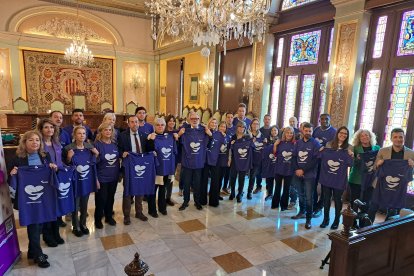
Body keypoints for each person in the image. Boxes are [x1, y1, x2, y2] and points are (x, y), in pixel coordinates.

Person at [9, 130, 58, 268]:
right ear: (24, 142)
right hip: (27, 199)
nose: (35, 142)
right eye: (31, 140)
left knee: (39, 223)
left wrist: (53, 168)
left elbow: (50, 172)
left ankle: (32, 251)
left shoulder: (45, 155)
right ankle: (39, 254)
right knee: (33, 224)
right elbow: (10, 178)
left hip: (43, 196)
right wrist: (12, 174)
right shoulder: (17, 158)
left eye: (37, 140)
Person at [368, 128, 414, 222]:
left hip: (398, 188)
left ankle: (386, 232)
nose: (398, 139)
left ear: (403, 138)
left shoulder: (411, 153)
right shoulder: (383, 151)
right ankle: (365, 230)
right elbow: (374, 168)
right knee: (373, 208)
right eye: (395, 137)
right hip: (380, 185)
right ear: (391, 138)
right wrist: (378, 164)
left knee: (392, 212)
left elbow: (410, 173)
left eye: (400, 137)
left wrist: (412, 165)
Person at [118, 116, 154, 224]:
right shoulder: (122, 136)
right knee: (128, 191)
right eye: (132, 122)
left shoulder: (144, 135)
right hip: (129, 167)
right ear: (128, 124)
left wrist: (152, 149)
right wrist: (122, 153)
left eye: (136, 122)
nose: (135, 124)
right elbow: (118, 149)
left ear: (139, 123)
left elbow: (148, 149)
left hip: (141, 167)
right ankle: (127, 215)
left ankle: (139, 212)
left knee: (140, 189)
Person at [64, 126, 99, 237]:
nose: (82, 135)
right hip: (75, 182)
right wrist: (69, 158)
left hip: (86, 181)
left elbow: (93, 164)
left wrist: (96, 154)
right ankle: (76, 226)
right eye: (79, 133)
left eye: (84, 133)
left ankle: (83, 224)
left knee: (84, 205)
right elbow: (65, 166)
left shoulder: (89, 147)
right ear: (74, 135)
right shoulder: (69, 148)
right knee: (75, 205)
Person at [36, 119, 65, 247]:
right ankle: (48, 236)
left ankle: (56, 233)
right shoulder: (39, 145)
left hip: (58, 177)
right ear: (41, 130)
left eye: (52, 127)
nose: (49, 130)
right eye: (46, 127)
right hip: (45, 179)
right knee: (48, 208)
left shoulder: (56, 143)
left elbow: (60, 161)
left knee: (56, 207)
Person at [319, 127, 353, 230]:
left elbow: (350, 164)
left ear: (347, 136)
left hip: (339, 179)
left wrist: (352, 155)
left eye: (345, 134)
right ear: (337, 133)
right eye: (341, 133)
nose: (343, 135)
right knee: (326, 199)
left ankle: (336, 220)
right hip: (327, 177)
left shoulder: (349, 147)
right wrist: (321, 150)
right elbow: (322, 157)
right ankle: (326, 219)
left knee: (338, 200)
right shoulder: (329, 144)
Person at [177, 111, 212, 211]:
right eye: (192, 119)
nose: (194, 120)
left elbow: (209, 145)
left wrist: (210, 135)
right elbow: (178, 144)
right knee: (186, 184)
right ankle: (185, 201)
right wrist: (179, 135)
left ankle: (197, 202)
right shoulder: (184, 131)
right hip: (187, 163)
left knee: (197, 184)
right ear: (189, 120)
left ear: (199, 120)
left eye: (196, 119)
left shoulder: (203, 130)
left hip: (199, 163)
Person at [291, 122, 321, 229]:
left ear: (312, 132)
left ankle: (308, 219)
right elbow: (294, 157)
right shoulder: (298, 143)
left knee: (309, 198)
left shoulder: (315, 144)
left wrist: (303, 170)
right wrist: (297, 169)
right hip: (297, 173)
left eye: (310, 131)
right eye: (306, 130)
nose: (308, 132)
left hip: (310, 175)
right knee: (300, 194)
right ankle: (301, 212)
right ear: (302, 131)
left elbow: (315, 160)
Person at [147, 118, 178, 217]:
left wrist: (176, 137)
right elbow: (148, 151)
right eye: (158, 125)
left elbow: (174, 152)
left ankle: (162, 207)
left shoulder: (170, 137)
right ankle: (152, 210)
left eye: (162, 125)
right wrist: (151, 141)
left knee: (163, 189)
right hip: (156, 169)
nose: (160, 126)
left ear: (165, 126)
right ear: (154, 126)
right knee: (153, 190)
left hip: (167, 168)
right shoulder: (151, 137)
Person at [94, 122, 120, 229]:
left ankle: (109, 217)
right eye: (105, 130)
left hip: (113, 176)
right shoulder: (97, 145)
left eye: (110, 130)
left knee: (111, 198)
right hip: (102, 177)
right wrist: (95, 179)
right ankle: (98, 219)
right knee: (101, 199)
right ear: (101, 131)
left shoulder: (114, 144)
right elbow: (94, 163)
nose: (108, 132)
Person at [348, 129, 380, 213]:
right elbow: (349, 162)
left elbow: (381, 160)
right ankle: (353, 223)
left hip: (370, 180)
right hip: (356, 179)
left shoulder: (377, 148)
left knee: (366, 203)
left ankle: (363, 224)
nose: (364, 137)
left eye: (366, 135)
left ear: (370, 137)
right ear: (359, 138)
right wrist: (356, 159)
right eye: (362, 136)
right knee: (354, 202)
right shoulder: (355, 148)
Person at [312, 114, 337, 218]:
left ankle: (320, 206)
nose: (324, 121)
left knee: (324, 185)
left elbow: (335, 146)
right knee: (313, 183)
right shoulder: (316, 130)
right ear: (319, 120)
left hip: (327, 162)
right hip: (316, 161)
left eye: (326, 119)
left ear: (329, 120)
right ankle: (313, 205)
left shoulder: (334, 132)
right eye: (322, 119)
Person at [201, 118, 226, 207]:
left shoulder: (220, 134)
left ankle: (213, 201)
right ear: (209, 123)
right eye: (212, 122)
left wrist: (224, 136)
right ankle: (202, 200)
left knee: (215, 181)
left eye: (215, 123)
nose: (214, 124)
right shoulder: (204, 132)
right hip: (205, 159)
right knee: (203, 180)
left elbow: (224, 146)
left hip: (215, 159)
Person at [228, 121, 253, 203]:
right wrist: (229, 159)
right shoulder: (233, 137)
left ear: (245, 128)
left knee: (241, 178)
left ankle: (240, 194)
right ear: (237, 127)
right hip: (234, 160)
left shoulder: (247, 137)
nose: (241, 128)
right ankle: (232, 192)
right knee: (232, 177)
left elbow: (252, 146)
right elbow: (230, 149)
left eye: (243, 127)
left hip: (243, 161)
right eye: (240, 126)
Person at [272, 126, 296, 210]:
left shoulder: (295, 144)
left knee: (286, 188)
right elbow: (275, 153)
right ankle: (275, 204)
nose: (289, 134)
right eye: (287, 132)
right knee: (277, 187)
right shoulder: (280, 142)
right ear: (284, 133)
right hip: (279, 168)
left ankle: (284, 206)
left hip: (289, 169)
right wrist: (275, 145)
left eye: (291, 133)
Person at [248, 118, 264, 198]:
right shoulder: (247, 134)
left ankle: (249, 192)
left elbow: (263, 146)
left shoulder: (261, 135)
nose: (255, 125)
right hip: (247, 158)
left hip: (257, 158)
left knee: (253, 175)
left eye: (257, 124)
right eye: (254, 123)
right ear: (251, 125)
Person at [220, 113, 236, 195]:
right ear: (225, 118)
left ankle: (225, 187)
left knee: (228, 172)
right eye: (228, 117)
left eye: (231, 117)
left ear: (233, 119)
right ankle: (217, 187)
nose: (230, 119)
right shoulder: (222, 128)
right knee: (220, 173)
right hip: (221, 154)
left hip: (230, 154)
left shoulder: (235, 129)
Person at [165, 114, 178, 206]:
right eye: (170, 120)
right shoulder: (163, 132)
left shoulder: (177, 132)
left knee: (170, 179)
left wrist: (177, 138)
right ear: (166, 122)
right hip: (164, 160)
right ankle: (162, 197)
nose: (172, 122)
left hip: (173, 160)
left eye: (173, 121)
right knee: (162, 180)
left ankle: (168, 197)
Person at [264, 126, 279, 201]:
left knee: (277, 179)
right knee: (269, 179)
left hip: (277, 163)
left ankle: (276, 195)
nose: (274, 132)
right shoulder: (267, 140)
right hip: (269, 162)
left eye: (275, 130)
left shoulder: (280, 140)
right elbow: (265, 150)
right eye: (272, 130)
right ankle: (269, 193)